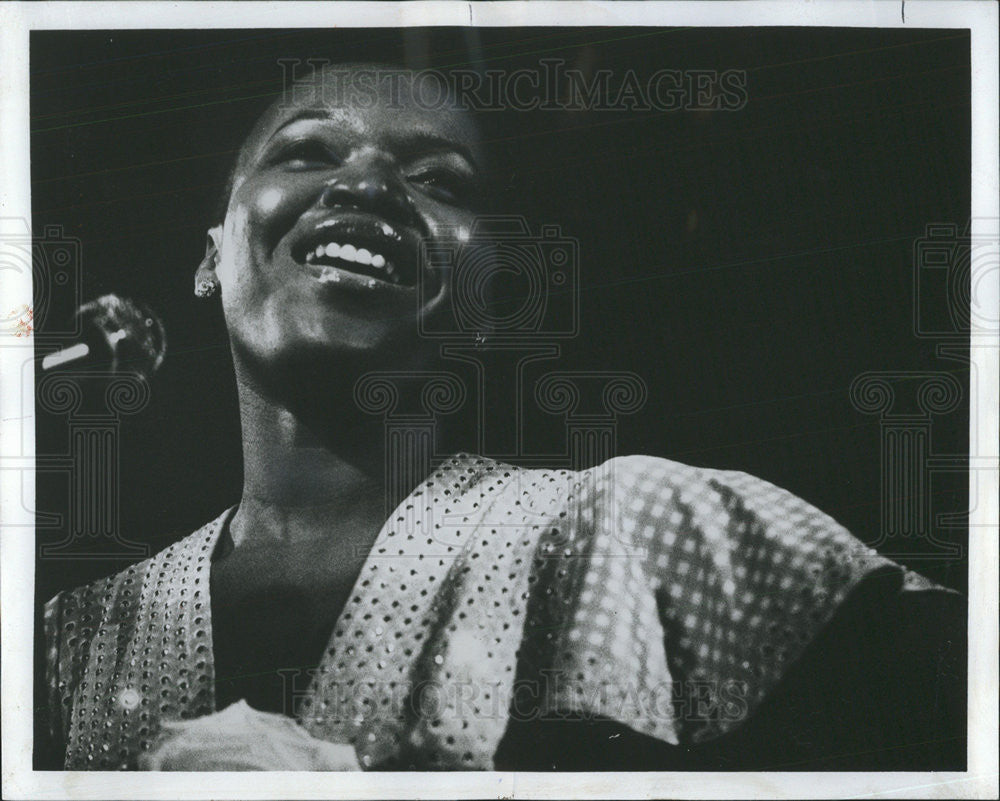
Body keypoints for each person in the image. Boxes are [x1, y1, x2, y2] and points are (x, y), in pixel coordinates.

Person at [42, 63, 965, 772]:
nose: (365, 185)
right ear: (211, 258)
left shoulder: (632, 533)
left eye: (438, 180)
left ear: (485, 300)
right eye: (307, 152)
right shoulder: (66, 643)